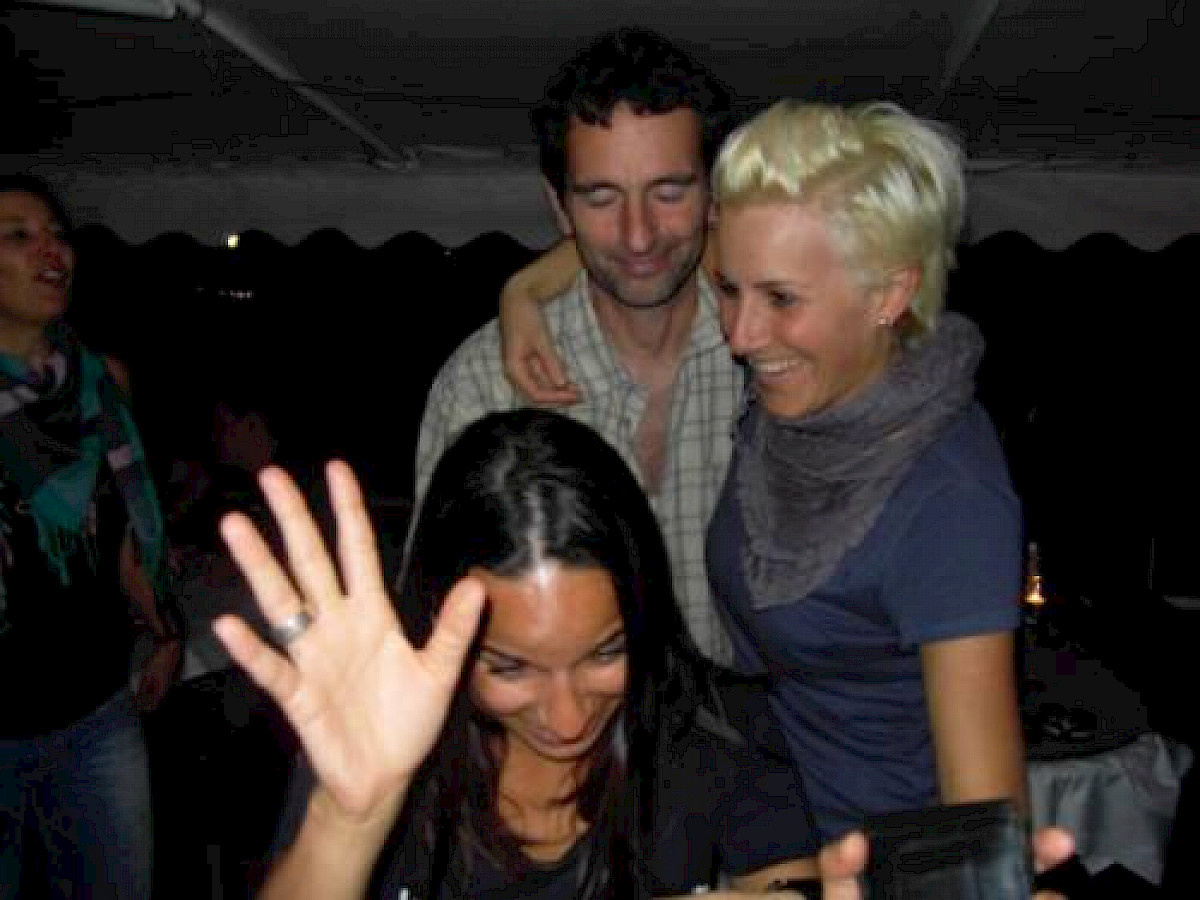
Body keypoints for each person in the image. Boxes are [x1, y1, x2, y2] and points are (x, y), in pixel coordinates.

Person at [212, 411, 1073, 899]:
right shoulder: (382, 745)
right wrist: (350, 816)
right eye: (510, 667)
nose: (566, 717)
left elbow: (788, 880)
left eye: (605, 653)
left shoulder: (709, 734)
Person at [498, 100, 1029, 839]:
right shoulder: (823, 381)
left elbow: (986, 826)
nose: (742, 336)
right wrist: (522, 292)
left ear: (888, 295)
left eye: (780, 298)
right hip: (762, 817)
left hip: (870, 863)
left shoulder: (948, 499)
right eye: (730, 289)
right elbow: (645, 248)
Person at [411, 27, 742, 665]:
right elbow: (446, 622)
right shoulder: (484, 383)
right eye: (601, 196)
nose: (639, 235)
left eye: (669, 191)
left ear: (713, 195)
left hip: (751, 720)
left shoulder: (772, 346)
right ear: (559, 207)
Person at [0, 174, 180, 897]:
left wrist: (163, 632)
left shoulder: (103, 382)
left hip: (96, 707)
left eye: (57, 234)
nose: (51, 251)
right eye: (19, 236)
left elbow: (124, 529)